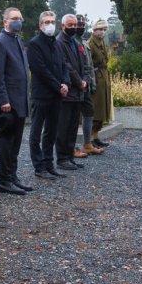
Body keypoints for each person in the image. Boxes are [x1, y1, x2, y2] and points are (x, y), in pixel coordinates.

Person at [0, 7, 32, 195]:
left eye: (21, 18)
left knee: (16, 143)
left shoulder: (17, 40)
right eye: (15, 18)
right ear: (5, 21)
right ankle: (4, 180)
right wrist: (3, 99)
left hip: (20, 101)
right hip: (9, 103)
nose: (18, 21)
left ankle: (13, 176)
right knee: (6, 142)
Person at [27, 11, 69, 180]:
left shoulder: (57, 43)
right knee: (36, 132)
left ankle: (49, 163)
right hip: (41, 95)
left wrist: (66, 83)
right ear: (40, 25)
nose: (50, 24)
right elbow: (40, 70)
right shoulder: (34, 44)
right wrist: (58, 86)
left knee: (51, 131)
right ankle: (39, 167)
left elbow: (64, 65)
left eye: (52, 21)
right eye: (46, 22)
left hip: (56, 95)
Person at [55, 14, 89, 171]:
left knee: (74, 126)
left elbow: (84, 63)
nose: (73, 28)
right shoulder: (59, 42)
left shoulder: (76, 43)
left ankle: (70, 155)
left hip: (78, 92)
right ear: (63, 26)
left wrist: (85, 80)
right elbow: (66, 65)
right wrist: (78, 81)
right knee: (64, 126)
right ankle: (62, 158)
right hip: (68, 91)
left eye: (75, 25)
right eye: (70, 25)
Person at [74, 14, 103, 157]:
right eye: (78, 24)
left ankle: (87, 144)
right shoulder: (71, 42)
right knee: (73, 117)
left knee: (89, 112)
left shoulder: (84, 43)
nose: (81, 27)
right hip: (75, 85)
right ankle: (72, 146)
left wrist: (91, 82)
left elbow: (89, 65)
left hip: (87, 84)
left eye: (83, 24)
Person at [89, 19, 113, 148]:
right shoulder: (90, 44)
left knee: (103, 110)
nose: (102, 32)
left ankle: (96, 136)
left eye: (104, 29)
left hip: (104, 77)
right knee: (96, 110)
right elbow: (89, 63)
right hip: (96, 78)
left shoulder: (102, 42)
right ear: (94, 30)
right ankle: (91, 138)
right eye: (100, 29)